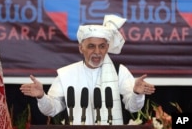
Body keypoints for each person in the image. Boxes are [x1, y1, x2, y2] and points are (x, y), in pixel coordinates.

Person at [20, 14, 155, 125]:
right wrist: (41, 96)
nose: (97, 52)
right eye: (91, 46)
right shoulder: (67, 74)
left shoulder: (119, 71)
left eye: (102, 46)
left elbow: (132, 107)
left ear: (107, 48)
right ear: (81, 48)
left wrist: (137, 94)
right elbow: (51, 109)